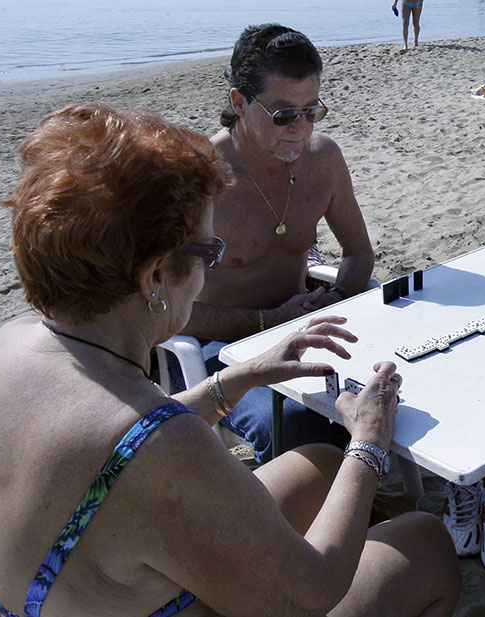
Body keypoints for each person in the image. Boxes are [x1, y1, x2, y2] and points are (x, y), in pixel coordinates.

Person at [0, 103, 460, 617]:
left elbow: (108, 449)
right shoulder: (166, 447)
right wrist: (368, 441)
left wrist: (235, 379)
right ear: (153, 279)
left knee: (320, 466)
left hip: (52, 594)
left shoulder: (3, 348)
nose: (209, 272)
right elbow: (316, 588)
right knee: (426, 543)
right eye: (208, 254)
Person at [179, 24, 376, 463]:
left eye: (312, 111)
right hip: (219, 349)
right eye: (284, 114)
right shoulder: (201, 181)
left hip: (306, 327)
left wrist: (337, 296)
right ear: (238, 102)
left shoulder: (322, 159)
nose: (300, 129)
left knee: (395, 377)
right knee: (293, 424)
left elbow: (359, 253)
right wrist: (266, 320)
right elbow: (168, 311)